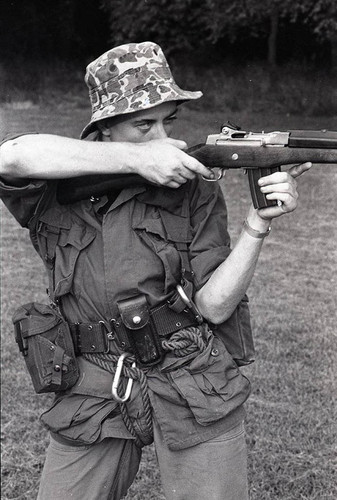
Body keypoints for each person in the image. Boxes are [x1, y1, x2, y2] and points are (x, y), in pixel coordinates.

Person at [0, 41, 311, 500]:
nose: (163, 139)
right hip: (91, 377)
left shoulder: (193, 188)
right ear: (104, 129)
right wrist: (139, 160)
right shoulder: (56, 181)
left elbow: (214, 304)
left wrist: (257, 224)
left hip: (189, 372)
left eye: (169, 123)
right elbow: (12, 156)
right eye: (143, 125)